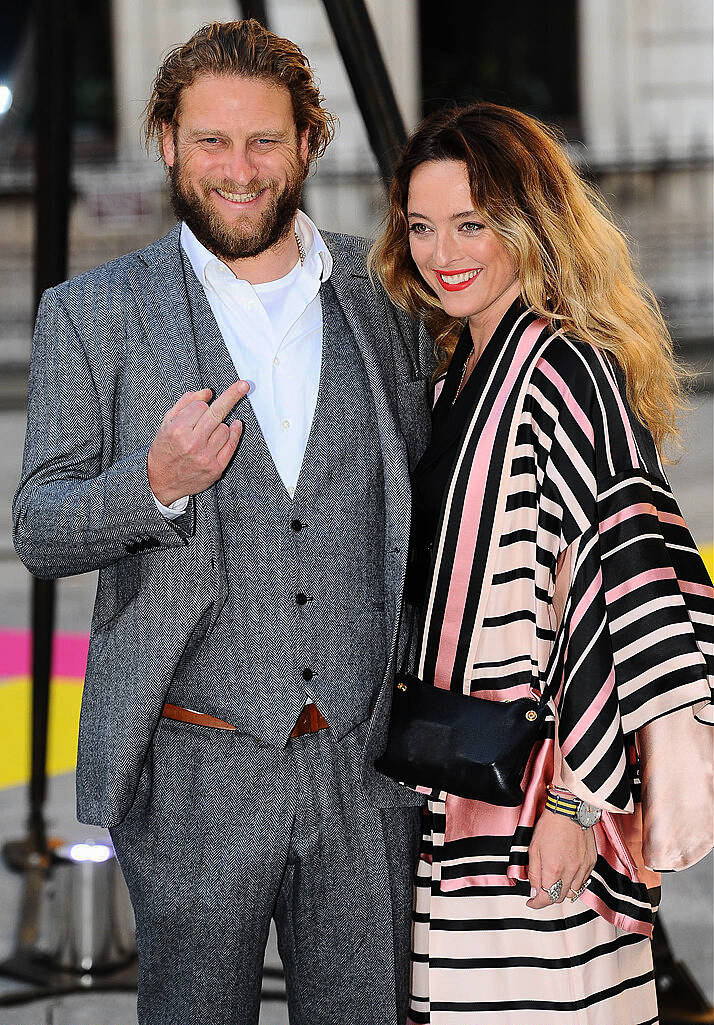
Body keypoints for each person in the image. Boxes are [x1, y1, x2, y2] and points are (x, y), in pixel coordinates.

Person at [12, 20, 433, 1025]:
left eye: (262, 141)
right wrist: (148, 484)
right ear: (166, 139)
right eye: (210, 140)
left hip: (364, 775)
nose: (237, 169)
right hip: (193, 776)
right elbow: (38, 525)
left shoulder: (390, 298)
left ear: (305, 144)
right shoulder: (92, 313)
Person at [370, 102, 714, 1025]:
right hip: (455, 784)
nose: (446, 250)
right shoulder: (453, 378)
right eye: (423, 224)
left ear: (530, 224)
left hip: (534, 794)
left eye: (473, 223)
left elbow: (625, 589)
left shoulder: (564, 370)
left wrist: (576, 798)